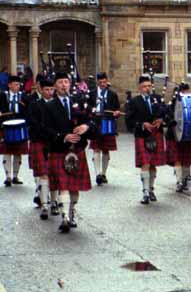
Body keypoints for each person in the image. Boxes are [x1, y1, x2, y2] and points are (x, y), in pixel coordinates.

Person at [43, 72, 96, 233]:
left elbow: (93, 121)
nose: (64, 85)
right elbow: (45, 129)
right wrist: (63, 137)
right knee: (63, 185)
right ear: (55, 86)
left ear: (70, 84)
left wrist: (86, 127)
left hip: (77, 150)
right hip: (59, 149)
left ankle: (71, 212)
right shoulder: (49, 106)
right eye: (60, 82)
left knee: (74, 187)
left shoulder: (80, 103)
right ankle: (65, 217)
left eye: (66, 82)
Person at [125, 76, 167, 204]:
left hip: (156, 134)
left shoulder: (157, 99)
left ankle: (151, 189)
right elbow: (129, 120)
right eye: (144, 86)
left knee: (153, 164)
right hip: (142, 135)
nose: (147, 88)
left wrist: (161, 120)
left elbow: (168, 113)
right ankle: (145, 192)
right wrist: (142, 124)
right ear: (139, 88)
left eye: (149, 86)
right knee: (145, 163)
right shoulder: (134, 102)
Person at [27, 78, 56, 219]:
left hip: (54, 143)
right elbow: (33, 123)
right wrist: (49, 133)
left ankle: (54, 202)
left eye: (51, 89)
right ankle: (44, 205)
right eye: (46, 89)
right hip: (40, 141)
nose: (49, 92)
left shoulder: (58, 105)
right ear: (41, 90)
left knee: (54, 173)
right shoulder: (35, 105)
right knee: (43, 173)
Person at [88, 72, 121, 186]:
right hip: (95, 123)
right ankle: (97, 174)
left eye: (104, 82)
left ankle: (103, 174)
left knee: (106, 149)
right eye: (100, 82)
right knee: (96, 148)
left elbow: (117, 109)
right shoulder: (91, 94)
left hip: (108, 122)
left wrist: (116, 113)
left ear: (107, 81)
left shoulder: (112, 94)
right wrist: (90, 110)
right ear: (97, 82)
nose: (103, 84)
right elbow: (87, 107)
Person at [165, 83, 191, 193]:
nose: (187, 94)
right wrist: (171, 121)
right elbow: (167, 117)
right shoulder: (171, 105)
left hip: (187, 135)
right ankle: (179, 181)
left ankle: (184, 179)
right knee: (177, 158)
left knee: (186, 159)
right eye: (185, 92)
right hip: (174, 135)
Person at [0, 75, 29, 186]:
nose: (18, 86)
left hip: (20, 126)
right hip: (5, 126)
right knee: (7, 151)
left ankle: (15, 176)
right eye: (15, 84)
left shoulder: (24, 96)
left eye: (19, 84)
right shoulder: (2, 96)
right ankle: (8, 177)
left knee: (18, 152)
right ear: (9, 85)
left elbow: (29, 109)